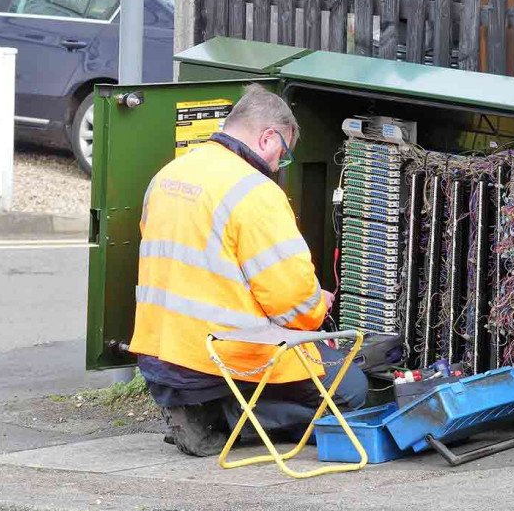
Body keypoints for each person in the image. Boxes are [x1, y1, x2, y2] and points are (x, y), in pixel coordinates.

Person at [128, 85, 368, 457]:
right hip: (220, 359)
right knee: (352, 389)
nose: (278, 166)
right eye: (283, 156)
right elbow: (293, 305)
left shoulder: (169, 174)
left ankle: (200, 408)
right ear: (268, 137)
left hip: (159, 356)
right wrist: (319, 304)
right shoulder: (255, 192)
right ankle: (225, 416)